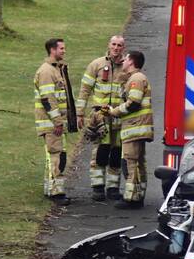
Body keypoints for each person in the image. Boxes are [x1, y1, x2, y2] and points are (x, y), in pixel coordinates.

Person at [75, 35, 126, 201]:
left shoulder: (127, 67)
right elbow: (84, 90)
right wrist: (80, 112)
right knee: (100, 151)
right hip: (100, 117)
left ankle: (113, 187)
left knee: (117, 152)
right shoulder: (96, 64)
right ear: (109, 45)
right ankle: (97, 187)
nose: (116, 48)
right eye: (114, 44)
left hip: (118, 116)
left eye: (119, 45)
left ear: (123, 48)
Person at [107, 50, 153, 210]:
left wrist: (114, 111)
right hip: (137, 127)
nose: (123, 61)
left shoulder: (136, 79)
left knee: (130, 162)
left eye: (126, 59)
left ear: (132, 61)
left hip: (135, 127)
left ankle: (131, 198)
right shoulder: (134, 78)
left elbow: (133, 103)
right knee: (137, 162)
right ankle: (137, 195)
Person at [33, 38, 76, 206]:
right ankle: (56, 192)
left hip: (55, 122)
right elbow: (47, 99)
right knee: (56, 156)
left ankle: (50, 189)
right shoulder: (47, 71)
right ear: (52, 50)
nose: (64, 51)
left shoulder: (56, 69)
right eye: (61, 48)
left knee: (57, 155)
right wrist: (57, 121)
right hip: (51, 123)